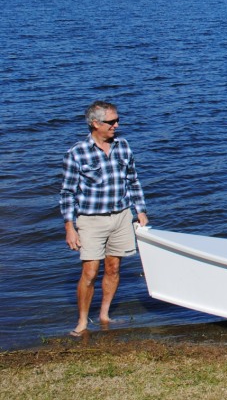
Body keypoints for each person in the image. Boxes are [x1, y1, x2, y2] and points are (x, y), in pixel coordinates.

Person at [60, 100, 149, 336]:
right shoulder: (76, 153)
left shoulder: (123, 146)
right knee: (89, 272)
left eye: (117, 120)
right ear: (95, 123)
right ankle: (82, 321)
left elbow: (133, 180)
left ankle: (104, 314)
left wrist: (140, 210)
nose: (116, 125)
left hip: (121, 217)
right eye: (111, 122)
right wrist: (70, 227)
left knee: (113, 268)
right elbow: (68, 193)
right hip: (91, 220)